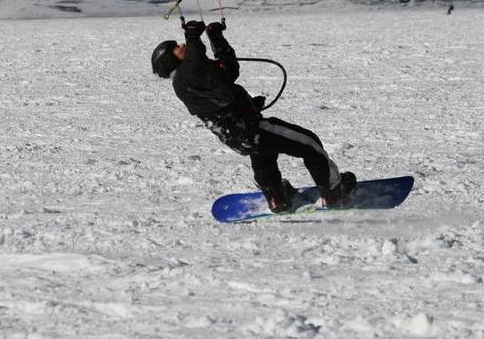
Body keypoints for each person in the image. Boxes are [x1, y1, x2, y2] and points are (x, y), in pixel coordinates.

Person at [151, 20, 356, 213]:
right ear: (171, 59)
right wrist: (193, 37)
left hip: (242, 134)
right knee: (309, 143)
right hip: (251, 129)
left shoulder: (198, 76)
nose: (181, 44)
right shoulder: (185, 78)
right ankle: (334, 194)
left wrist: (216, 38)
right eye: (176, 46)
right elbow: (194, 63)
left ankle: (277, 199)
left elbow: (230, 70)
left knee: (264, 155)